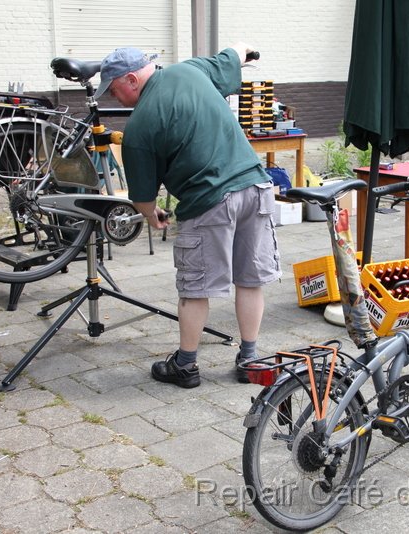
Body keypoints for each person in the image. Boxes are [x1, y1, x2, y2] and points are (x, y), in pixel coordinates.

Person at [95, 45, 281, 389]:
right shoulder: (192, 70)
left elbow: (143, 198)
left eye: (113, 88)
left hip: (210, 200)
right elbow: (231, 56)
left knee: (195, 289)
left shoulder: (138, 127)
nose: (112, 96)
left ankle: (185, 365)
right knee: (250, 280)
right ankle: (250, 360)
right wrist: (246, 52)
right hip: (257, 187)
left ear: (132, 79)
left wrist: (153, 217)